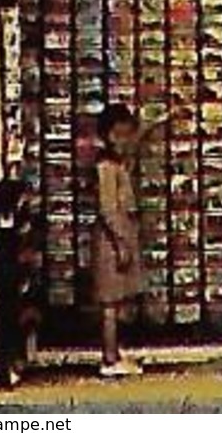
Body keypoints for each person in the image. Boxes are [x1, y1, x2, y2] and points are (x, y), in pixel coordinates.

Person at [90, 104, 143, 378]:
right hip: (111, 241)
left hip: (118, 237)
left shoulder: (117, 162)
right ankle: (109, 358)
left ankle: (114, 353)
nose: (123, 141)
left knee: (117, 300)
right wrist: (121, 242)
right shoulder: (106, 167)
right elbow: (107, 208)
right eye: (119, 135)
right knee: (110, 303)